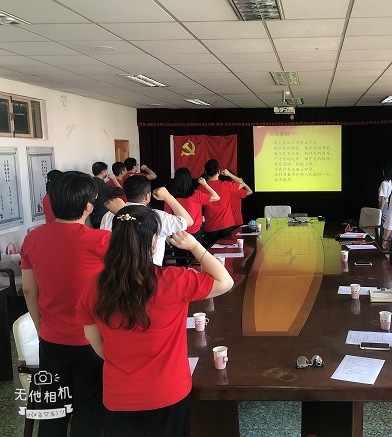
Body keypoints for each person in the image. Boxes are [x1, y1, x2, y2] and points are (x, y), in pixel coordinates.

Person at [76, 205, 234, 437]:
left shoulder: (93, 285)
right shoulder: (174, 280)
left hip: (119, 395)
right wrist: (194, 246)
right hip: (168, 392)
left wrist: (121, 358)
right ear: (153, 242)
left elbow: (95, 341)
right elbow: (225, 281)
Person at [21, 171, 110, 437]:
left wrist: (41, 328)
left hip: (51, 340)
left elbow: (28, 289)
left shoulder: (32, 238)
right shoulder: (102, 240)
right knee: (88, 410)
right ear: (88, 206)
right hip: (92, 341)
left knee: (53, 410)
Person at [100, 176, 192, 266]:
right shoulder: (157, 217)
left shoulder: (108, 215)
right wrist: (168, 197)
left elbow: (103, 244)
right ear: (147, 196)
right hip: (149, 271)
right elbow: (188, 221)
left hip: (117, 269)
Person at [199, 159, 246, 248]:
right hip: (225, 225)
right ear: (219, 171)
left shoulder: (201, 188)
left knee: (210, 253)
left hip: (210, 227)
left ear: (205, 172)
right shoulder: (225, 185)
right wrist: (229, 174)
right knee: (226, 252)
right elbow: (242, 183)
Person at [166, 167, 220, 242]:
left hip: (178, 234)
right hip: (195, 234)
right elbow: (217, 197)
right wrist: (205, 185)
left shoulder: (169, 197)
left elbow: (168, 218)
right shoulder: (197, 194)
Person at [89, 161, 124, 229]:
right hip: (101, 216)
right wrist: (114, 179)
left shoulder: (90, 182)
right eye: (106, 171)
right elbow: (120, 191)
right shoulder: (102, 185)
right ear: (103, 172)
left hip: (93, 216)